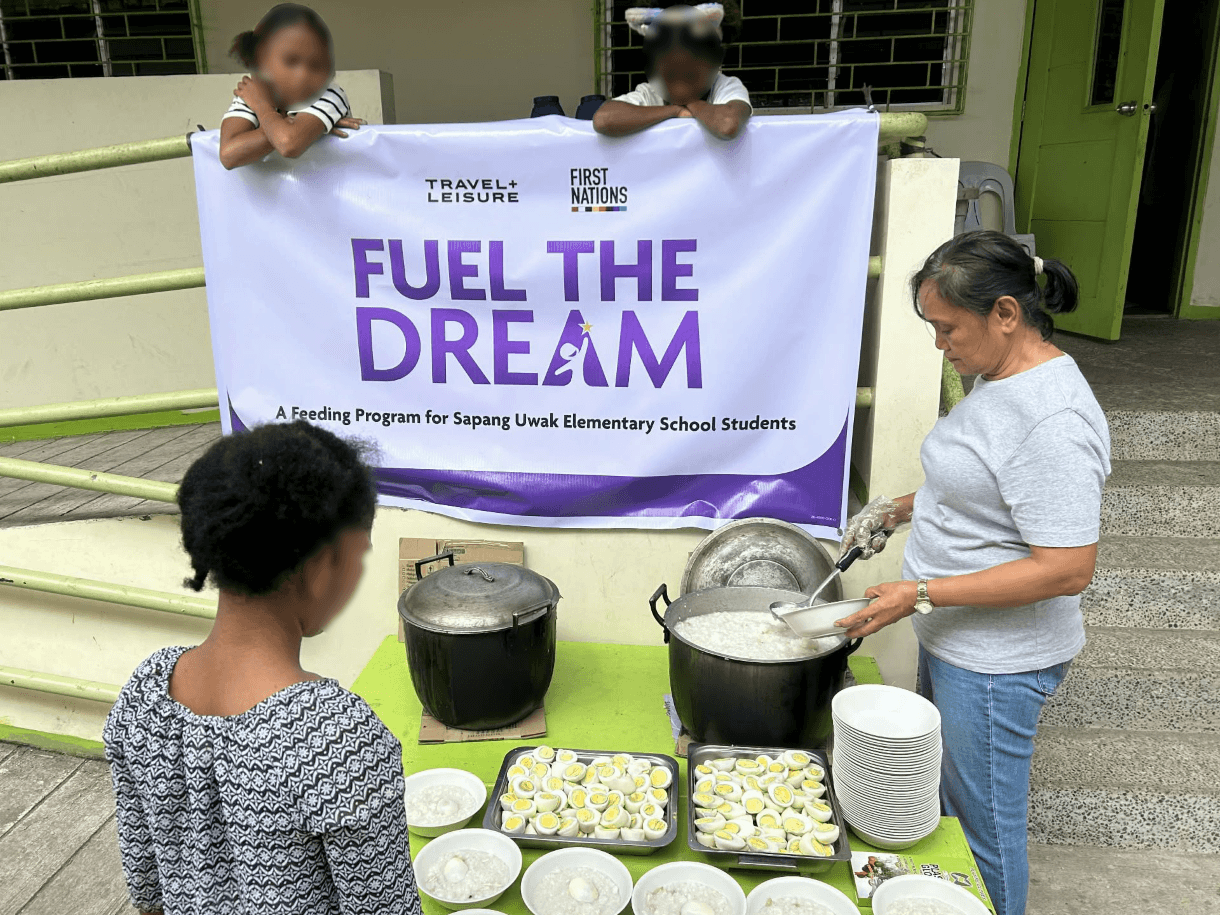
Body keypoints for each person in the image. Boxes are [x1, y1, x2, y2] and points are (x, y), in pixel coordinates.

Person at [834, 231, 1111, 915]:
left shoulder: (1052, 417)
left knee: (985, 831)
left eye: (947, 327)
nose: (939, 344)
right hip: (958, 641)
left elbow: (1068, 567)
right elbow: (984, 489)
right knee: (947, 810)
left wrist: (921, 593)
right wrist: (898, 509)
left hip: (997, 666)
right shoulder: (1000, 379)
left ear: (1007, 314)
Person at [103, 421, 422, 915]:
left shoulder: (143, 696)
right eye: (359, 557)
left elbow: (147, 894)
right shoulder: (337, 737)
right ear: (322, 566)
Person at [219, 4, 365, 169]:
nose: (303, 75)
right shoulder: (253, 93)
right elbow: (228, 155)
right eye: (290, 60)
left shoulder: (328, 93)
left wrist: (262, 108)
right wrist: (294, 128)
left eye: (315, 64)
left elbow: (289, 144)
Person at [593, 3, 751, 140]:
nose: (679, 84)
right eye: (672, 74)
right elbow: (604, 119)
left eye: (688, 74)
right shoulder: (650, 92)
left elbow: (727, 124)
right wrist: (675, 110)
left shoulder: (726, 86)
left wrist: (691, 104)